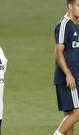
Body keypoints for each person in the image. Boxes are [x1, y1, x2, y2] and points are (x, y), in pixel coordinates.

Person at [53, 0, 79, 135]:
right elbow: (58, 52)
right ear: (70, 6)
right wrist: (68, 74)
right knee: (77, 113)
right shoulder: (64, 24)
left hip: (75, 77)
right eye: (78, 5)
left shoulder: (76, 27)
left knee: (69, 116)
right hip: (68, 78)